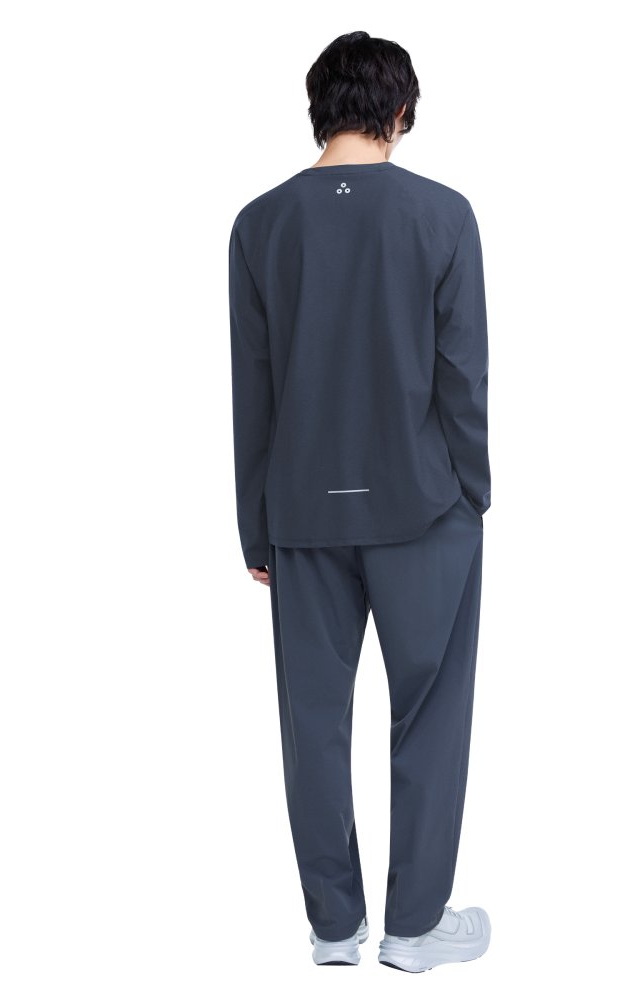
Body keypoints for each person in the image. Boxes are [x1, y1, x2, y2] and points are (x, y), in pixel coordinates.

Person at [228, 30, 492, 972]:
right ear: (400, 112)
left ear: (318, 110)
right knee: (430, 715)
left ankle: (334, 927)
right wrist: (475, 493)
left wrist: (254, 527)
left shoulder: (259, 225)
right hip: (424, 508)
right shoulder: (442, 215)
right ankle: (414, 928)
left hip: (301, 514)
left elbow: (252, 388)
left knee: (312, 720)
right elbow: (462, 374)